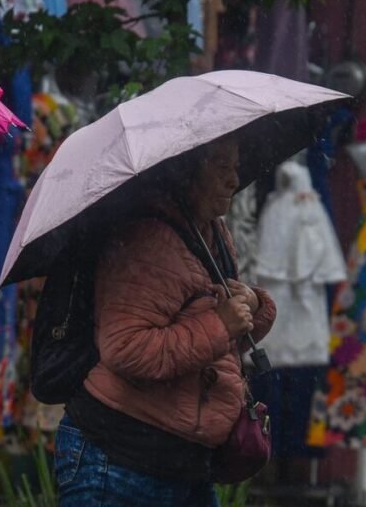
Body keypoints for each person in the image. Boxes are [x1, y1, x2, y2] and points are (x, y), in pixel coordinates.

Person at [54, 135, 277, 506]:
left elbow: (215, 338)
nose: (234, 180)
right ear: (186, 169)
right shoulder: (149, 241)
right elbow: (126, 348)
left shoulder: (210, 232)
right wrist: (220, 324)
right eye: (221, 166)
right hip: (120, 463)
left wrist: (252, 305)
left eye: (235, 166)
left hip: (182, 465)